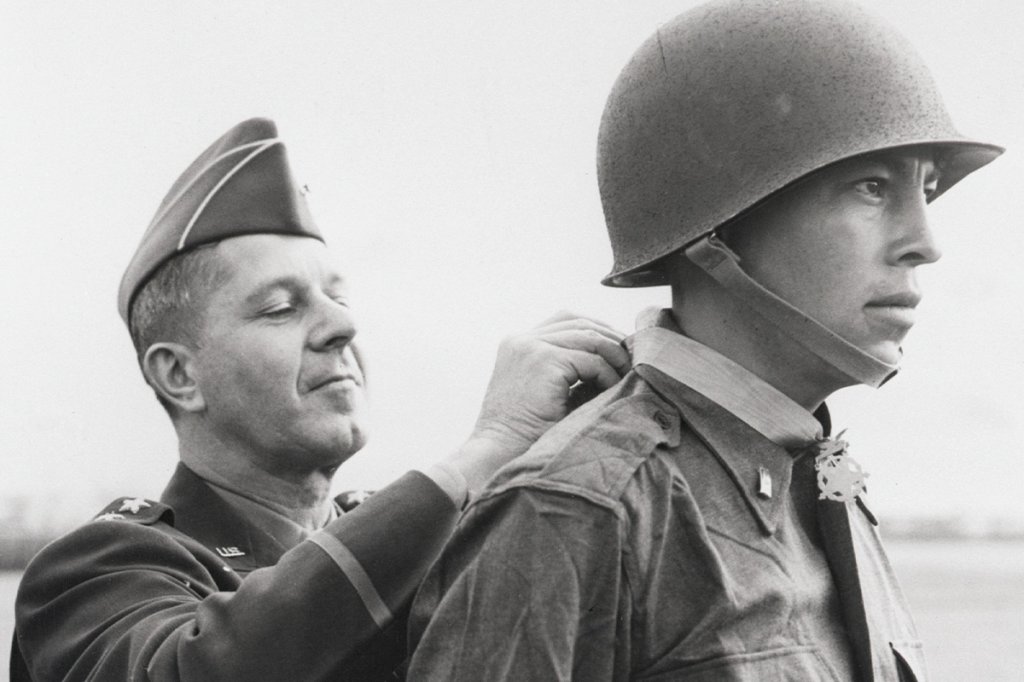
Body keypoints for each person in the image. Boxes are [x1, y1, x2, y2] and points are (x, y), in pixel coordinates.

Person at [406, 1, 1002, 680]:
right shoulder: (575, 511)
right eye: (871, 188)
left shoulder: (825, 483)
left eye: (925, 190)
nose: (924, 244)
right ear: (717, 230)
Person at [10, 117, 630, 681]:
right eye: (281, 308)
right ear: (179, 375)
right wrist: (486, 452)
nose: (342, 328)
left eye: (340, 298)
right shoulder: (97, 571)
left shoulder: (427, 538)